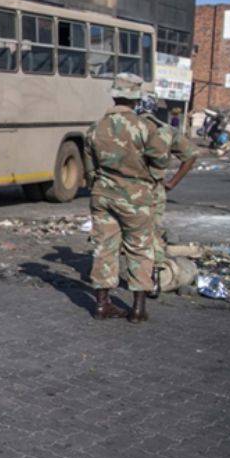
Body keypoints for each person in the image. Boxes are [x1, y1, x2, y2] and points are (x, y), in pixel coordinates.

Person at [84, 73, 172, 323]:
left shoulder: (95, 127)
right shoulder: (146, 127)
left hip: (102, 195)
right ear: (136, 98)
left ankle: (101, 305)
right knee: (140, 249)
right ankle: (137, 309)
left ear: (114, 95)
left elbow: (89, 168)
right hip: (136, 197)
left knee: (104, 248)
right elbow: (161, 160)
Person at [135, 94, 200, 289]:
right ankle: (157, 277)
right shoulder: (166, 130)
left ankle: (130, 276)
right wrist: (172, 183)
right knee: (152, 233)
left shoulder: (126, 128)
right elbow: (191, 154)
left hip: (127, 189)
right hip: (155, 189)